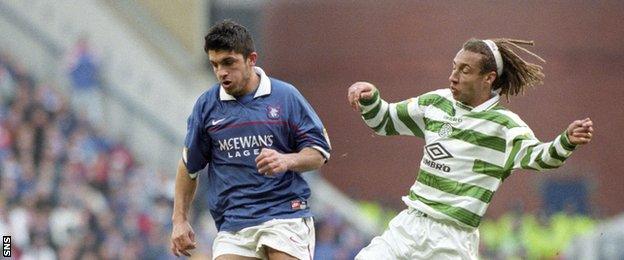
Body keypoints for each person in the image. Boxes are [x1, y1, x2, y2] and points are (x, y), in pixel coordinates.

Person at [347, 38, 594, 259]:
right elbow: (385, 121)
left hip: (452, 239)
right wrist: (370, 98)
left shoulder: (505, 126)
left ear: (488, 78)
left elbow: (540, 157)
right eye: (454, 67)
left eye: (465, 70)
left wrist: (566, 140)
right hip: (408, 225)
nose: (453, 76)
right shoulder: (437, 102)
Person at [170, 20, 331, 260]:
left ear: (251, 59)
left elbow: (319, 152)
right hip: (234, 224)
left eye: (228, 62)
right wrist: (179, 220)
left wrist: (286, 160)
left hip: (284, 215)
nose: (221, 72)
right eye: (214, 64)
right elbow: (189, 166)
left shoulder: (285, 97)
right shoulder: (206, 106)